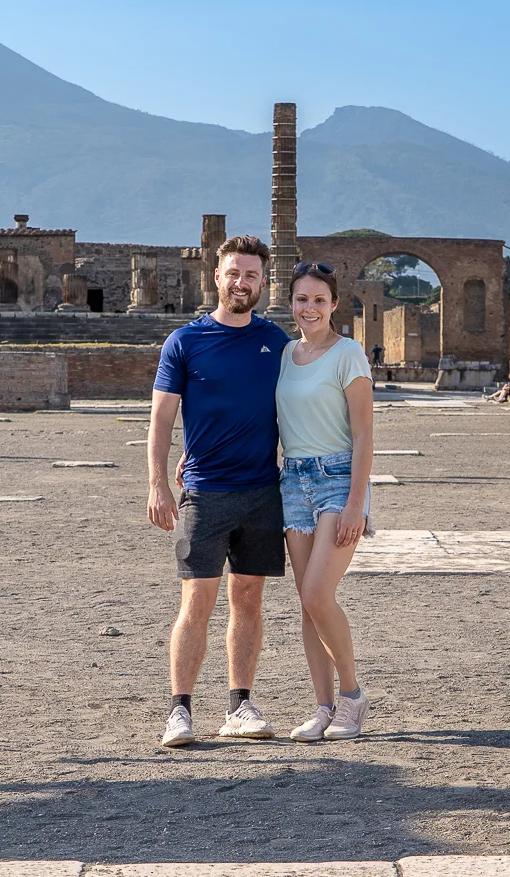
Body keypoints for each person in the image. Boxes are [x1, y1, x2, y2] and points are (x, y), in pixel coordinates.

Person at [147, 235, 291, 748]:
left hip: (261, 491)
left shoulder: (277, 343)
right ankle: (179, 711)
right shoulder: (184, 342)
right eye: (234, 273)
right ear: (216, 276)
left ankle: (240, 704)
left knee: (248, 598)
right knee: (196, 601)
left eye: (251, 275)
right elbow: (161, 419)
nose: (241, 282)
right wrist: (158, 483)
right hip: (205, 492)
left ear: (262, 282)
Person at [278, 262, 375, 741]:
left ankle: (353, 698)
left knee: (319, 593)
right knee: (306, 603)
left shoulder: (349, 354)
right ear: (291, 303)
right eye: (302, 299)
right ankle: (322, 706)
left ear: (334, 304)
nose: (309, 307)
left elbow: (362, 432)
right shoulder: (284, 354)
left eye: (319, 300)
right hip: (293, 481)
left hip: (337, 480)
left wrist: (357, 503)